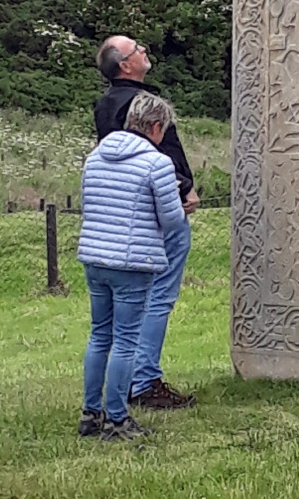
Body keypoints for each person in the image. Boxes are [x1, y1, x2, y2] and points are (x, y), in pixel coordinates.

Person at [93, 35, 199, 410]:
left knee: (112, 315)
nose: (144, 51)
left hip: (124, 213)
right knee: (159, 296)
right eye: (137, 49)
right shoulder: (141, 105)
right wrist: (184, 190)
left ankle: (117, 386)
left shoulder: (105, 105)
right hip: (159, 205)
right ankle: (144, 380)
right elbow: (160, 156)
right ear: (124, 64)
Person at [77, 92, 185, 441]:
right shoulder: (157, 163)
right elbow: (171, 219)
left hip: (94, 256)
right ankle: (118, 419)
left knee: (99, 336)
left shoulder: (95, 157)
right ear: (155, 127)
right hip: (132, 260)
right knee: (125, 341)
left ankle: (90, 414)